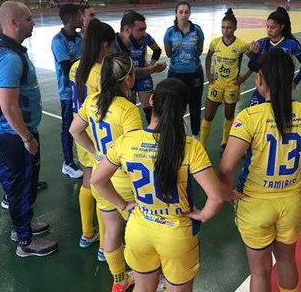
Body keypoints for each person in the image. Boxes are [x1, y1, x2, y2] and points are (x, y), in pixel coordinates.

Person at [219, 48, 301, 292]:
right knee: (286, 260)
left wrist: (227, 194)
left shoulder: (249, 117)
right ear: (292, 82)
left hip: (254, 203)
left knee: (259, 272)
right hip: (291, 202)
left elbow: (226, 166)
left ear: (259, 80)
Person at [90, 78, 224, 292]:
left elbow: (97, 180)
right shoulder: (190, 147)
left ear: (151, 100)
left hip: (139, 230)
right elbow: (216, 197)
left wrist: (123, 205)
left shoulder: (127, 141)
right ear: (184, 110)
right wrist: (203, 215)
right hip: (176, 234)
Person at [0, 1, 58, 257]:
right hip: (16, 134)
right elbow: (8, 106)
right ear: (13, 22)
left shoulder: (10, 50)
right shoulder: (8, 58)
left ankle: (22, 228)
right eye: (29, 19)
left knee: (22, 185)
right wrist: (26, 137)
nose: (34, 22)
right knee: (23, 186)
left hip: (13, 132)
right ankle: (25, 242)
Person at [70, 53, 141, 292]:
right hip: (125, 182)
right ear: (128, 79)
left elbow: (75, 130)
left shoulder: (92, 101)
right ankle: (145, 279)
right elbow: (135, 152)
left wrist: (97, 152)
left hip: (101, 179)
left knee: (110, 230)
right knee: (137, 235)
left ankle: (120, 280)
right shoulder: (128, 110)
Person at [69, 19, 117, 253]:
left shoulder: (75, 67)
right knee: (102, 187)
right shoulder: (101, 73)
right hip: (99, 135)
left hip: (81, 134)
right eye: (112, 47)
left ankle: (87, 233)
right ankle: (104, 246)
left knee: (88, 180)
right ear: (105, 45)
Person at [200, 8, 252, 151]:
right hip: (216, 84)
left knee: (229, 115)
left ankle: (225, 142)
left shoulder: (241, 45)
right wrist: (209, 75)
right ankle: (202, 145)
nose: (225, 31)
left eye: (229, 28)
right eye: (223, 27)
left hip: (231, 86)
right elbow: (209, 57)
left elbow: (255, 62)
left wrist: (243, 78)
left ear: (235, 28)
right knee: (208, 115)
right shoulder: (215, 42)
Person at [247, 7, 301, 106]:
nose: (269, 30)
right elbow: (253, 67)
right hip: (263, 89)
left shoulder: (291, 44)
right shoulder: (261, 43)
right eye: (267, 27)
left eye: (273, 28)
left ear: (281, 27)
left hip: (282, 90)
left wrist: (295, 82)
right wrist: (255, 54)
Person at [115, 10, 167, 122]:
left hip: (141, 76)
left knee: (147, 110)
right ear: (127, 29)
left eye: (145, 30)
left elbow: (157, 50)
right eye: (140, 30)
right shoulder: (114, 49)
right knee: (128, 110)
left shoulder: (125, 47)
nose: (144, 34)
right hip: (124, 85)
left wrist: (151, 67)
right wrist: (150, 69)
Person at [51, 3, 84, 179]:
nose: (82, 19)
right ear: (71, 19)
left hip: (81, 89)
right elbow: (66, 67)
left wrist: (77, 60)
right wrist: (81, 60)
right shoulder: (58, 41)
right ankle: (68, 162)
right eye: (79, 16)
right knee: (68, 126)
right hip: (67, 92)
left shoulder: (80, 38)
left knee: (83, 124)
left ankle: (84, 156)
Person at [164, 1, 205, 139]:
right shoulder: (170, 32)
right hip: (176, 73)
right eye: (180, 12)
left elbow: (199, 51)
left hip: (194, 73)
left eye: (186, 12)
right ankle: (176, 133)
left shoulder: (197, 30)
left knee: (195, 104)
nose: (183, 15)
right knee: (175, 105)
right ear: (176, 13)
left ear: (190, 13)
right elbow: (169, 54)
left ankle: (195, 134)